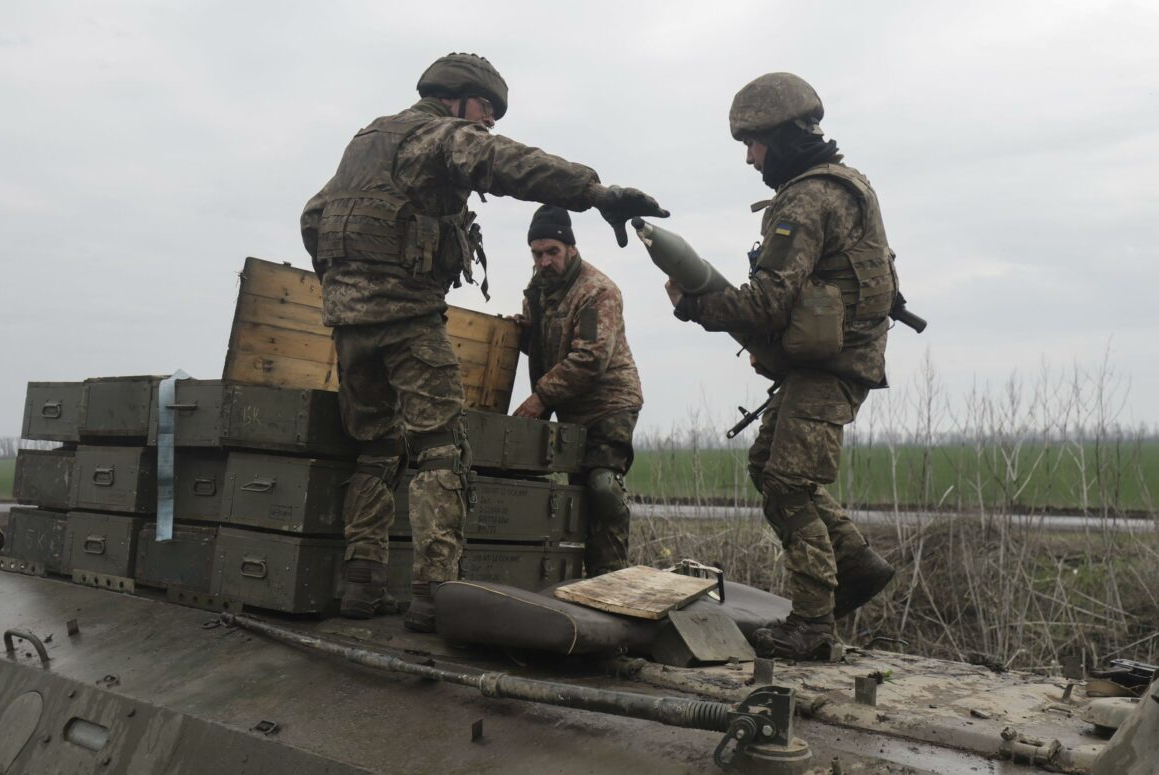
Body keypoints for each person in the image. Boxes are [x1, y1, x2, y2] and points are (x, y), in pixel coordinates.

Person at [300, 53, 667, 632]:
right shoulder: (438, 136)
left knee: (373, 449)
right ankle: (433, 593)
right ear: (458, 98)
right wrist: (594, 193)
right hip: (408, 319)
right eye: (485, 109)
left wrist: (348, 291)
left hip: (348, 326)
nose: (489, 122)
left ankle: (361, 585)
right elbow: (507, 163)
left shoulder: (367, 141)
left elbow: (313, 217)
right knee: (442, 450)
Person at [666, 73, 897, 660]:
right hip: (841, 360)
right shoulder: (850, 186)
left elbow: (769, 302)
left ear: (783, 136)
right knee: (769, 463)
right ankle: (857, 566)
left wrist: (694, 306)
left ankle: (814, 623)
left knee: (789, 487)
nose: (749, 157)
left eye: (754, 142)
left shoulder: (803, 198)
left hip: (831, 366)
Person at [513, 206, 643, 576]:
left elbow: (589, 358)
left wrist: (541, 397)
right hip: (570, 407)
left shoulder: (597, 291)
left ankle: (611, 576)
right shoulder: (538, 291)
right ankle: (576, 575)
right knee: (577, 494)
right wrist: (521, 334)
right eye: (537, 253)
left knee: (602, 485)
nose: (544, 261)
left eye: (552, 251)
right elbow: (549, 345)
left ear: (570, 248)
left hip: (610, 402)